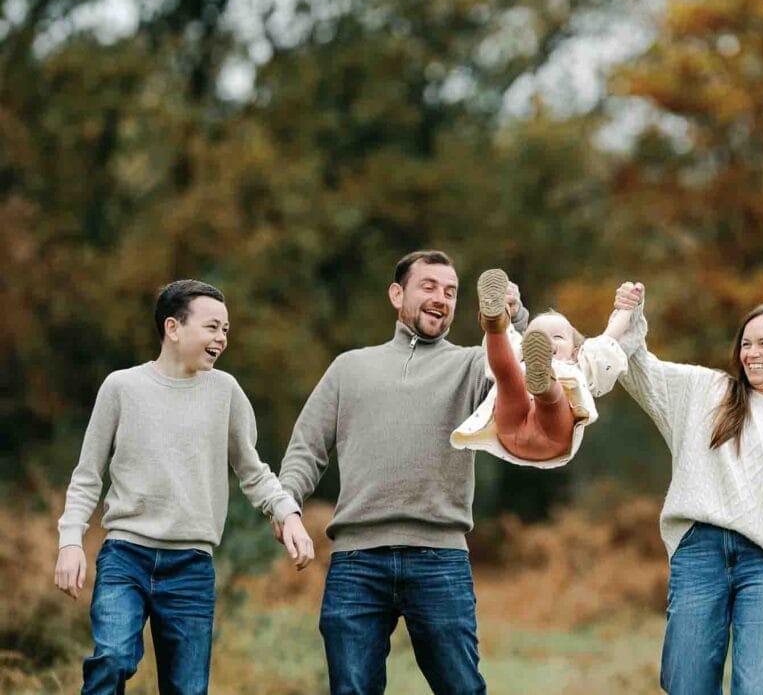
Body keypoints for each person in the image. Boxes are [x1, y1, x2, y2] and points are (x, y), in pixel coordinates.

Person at [277, 250, 535, 695]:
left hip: (439, 558)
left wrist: (514, 318)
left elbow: (521, 372)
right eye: (430, 287)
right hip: (357, 561)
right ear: (398, 295)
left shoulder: (470, 366)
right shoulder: (350, 367)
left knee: (463, 689)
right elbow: (305, 449)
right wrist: (287, 511)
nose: (442, 298)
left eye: (451, 292)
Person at [54, 279, 314, 695]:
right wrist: (70, 541)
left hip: (191, 567)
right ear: (173, 328)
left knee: (188, 689)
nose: (222, 338)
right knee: (112, 659)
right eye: (212, 327)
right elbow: (87, 475)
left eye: (226, 330)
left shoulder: (225, 392)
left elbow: (253, 469)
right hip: (126, 558)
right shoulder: (121, 388)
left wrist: (288, 513)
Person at [612, 282, 763, 695]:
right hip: (700, 551)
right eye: (746, 344)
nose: (751, 354)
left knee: (756, 687)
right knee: (686, 681)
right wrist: (631, 316)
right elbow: (639, 370)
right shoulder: (707, 391)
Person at [450, 268, 628, 467]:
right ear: (526, 346)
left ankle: (545, 385)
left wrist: (626, 309)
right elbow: (506, 351)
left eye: (557, 337)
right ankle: (494, 323)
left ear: (575, 350)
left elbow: (607, 339)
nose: (547, 342)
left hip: (548, 436)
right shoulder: (522, 357)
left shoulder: (578, 362)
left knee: (546, 395)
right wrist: (505, 307)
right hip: (514, 428)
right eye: (537, 337)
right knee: (508, 376)